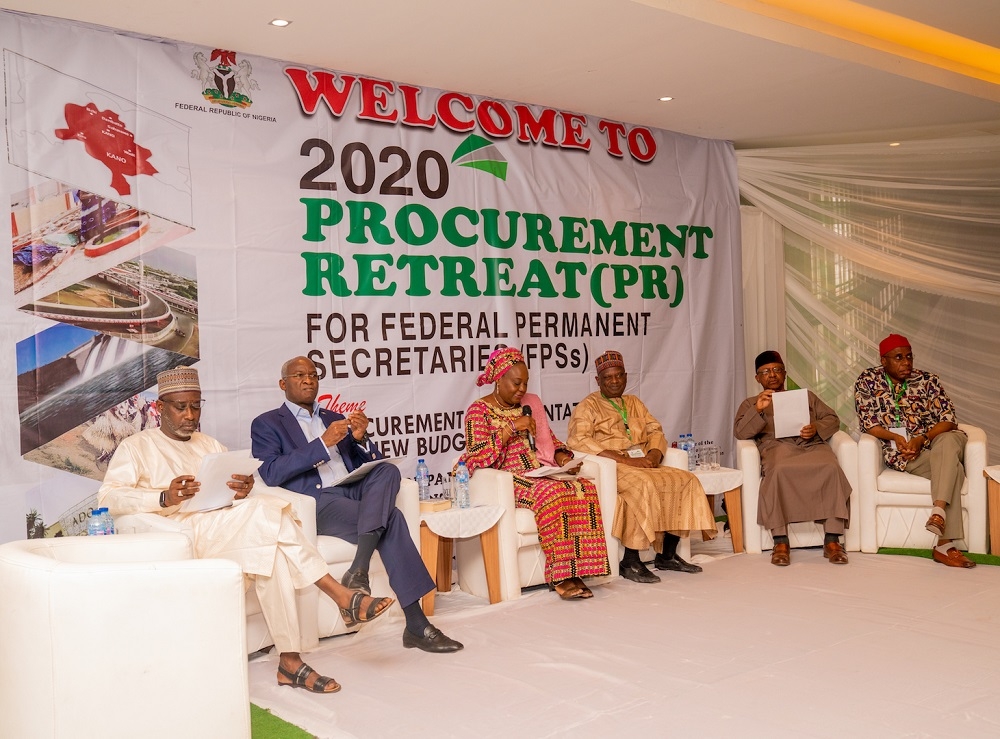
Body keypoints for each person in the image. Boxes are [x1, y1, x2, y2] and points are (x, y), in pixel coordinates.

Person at [99, 366, 394, 695]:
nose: (189, 415)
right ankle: (339, 593)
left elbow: (232, 486)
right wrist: (163, 496)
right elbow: (110, 497)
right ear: (159, 408)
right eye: (180, 407)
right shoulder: (137, 447)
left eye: (196, 406)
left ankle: (290, 661)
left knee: (271, 554)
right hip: (182, 534)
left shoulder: (209, 443)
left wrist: (242, 488)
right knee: (266, 513)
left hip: (227, 526)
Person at [251, 356, 463, 652]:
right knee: (394, 519)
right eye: (300, 375)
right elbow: (270, 473)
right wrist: (322, 444)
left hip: (353, 489)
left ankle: (358, 569)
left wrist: (361, 439)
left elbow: (364, 460)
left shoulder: (331, 417)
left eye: (313, 374)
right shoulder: (268, 423)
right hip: (318, 500)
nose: (308, 380)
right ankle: (416, 623)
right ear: (283, 384)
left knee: (387, 470)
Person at [457, 347, 611, 600]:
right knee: (552, 494)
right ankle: (560, 574)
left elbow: (550, 441)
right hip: (506, 479)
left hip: (539, 471)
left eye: (525, 383)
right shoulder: (478, 411)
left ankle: (578, 570)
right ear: (499, 379)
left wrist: (564, 459)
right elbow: (477, 457)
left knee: (583, 487)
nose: (521, 390)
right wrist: (510, 427)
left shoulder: (529, 405)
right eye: (516, 383)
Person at [568, 350, 716, 583]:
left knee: (686, 480)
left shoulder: (634, 402)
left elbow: (655, 430)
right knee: (643, 485)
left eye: (619, 376)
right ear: (598, 381)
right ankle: (630, 561)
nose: (615, 381)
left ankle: (667, 555)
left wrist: (655, 454)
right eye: (608, 378)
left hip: (644, 462)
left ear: (626, 376)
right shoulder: (588, 406)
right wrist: (628, 461)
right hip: (614, 465)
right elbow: (579, 441)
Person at [854, 334, 974, 568]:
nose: (906, 362)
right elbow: (868, 423)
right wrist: (897, 438)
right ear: (883, 360)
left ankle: (938, 513)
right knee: (954, 470)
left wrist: (923, 438)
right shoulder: (868, 381)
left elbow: (948, 419)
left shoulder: (928, 380)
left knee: (948, 443)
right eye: (898, 357)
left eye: (909, 356)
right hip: (904, 453)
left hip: (936, 441)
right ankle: (945, 544)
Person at [734, 351, 852, 566]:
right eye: (766, 372)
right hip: (777, 448)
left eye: (777, 370)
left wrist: (815, 428)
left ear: (785, 374)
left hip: (810, 444)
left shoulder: (806, 397)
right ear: (757, 378)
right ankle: (780, 542)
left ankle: (833, 540)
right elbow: (741, 433)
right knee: (779, 470)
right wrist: (757, 410)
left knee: (830, 466)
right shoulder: (750, 403)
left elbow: (832, 419)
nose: (772, 375)